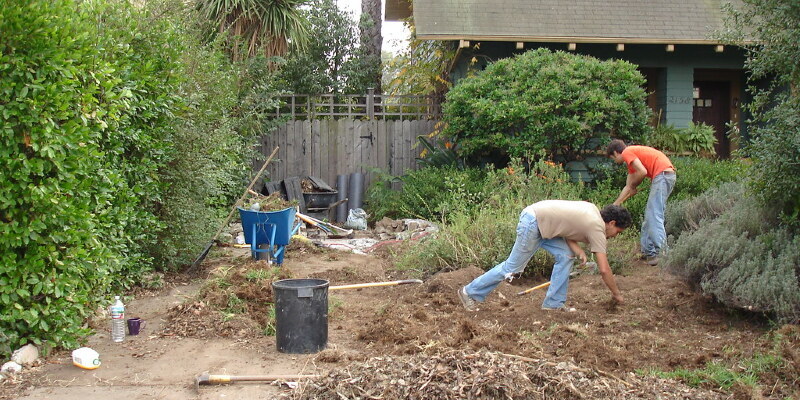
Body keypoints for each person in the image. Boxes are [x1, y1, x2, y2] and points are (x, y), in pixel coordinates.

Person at [458, 200, 632, 312]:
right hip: (533, 223)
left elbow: (566, 226)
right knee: (512, 268)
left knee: (566, 256)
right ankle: (469, 292)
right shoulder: (597, 228)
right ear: (612, 223)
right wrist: (617, 294)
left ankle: (553, 304)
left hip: (542, 223)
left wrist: (577, 250)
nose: (615, 235)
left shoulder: (593, 210)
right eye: (618, 231)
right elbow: (603, 269)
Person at [606, 139, 676, 265]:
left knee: (654, 215)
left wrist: (634, 186)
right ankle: (648, 252)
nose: (615, 162)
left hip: (663, 175)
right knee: (650, 215)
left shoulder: (628, 152)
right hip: (663, 176)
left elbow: (642, 172)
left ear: (616, 153)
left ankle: (664, 255)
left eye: (613, 158)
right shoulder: (631, 162)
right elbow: (628, 186)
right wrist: (615, 204)